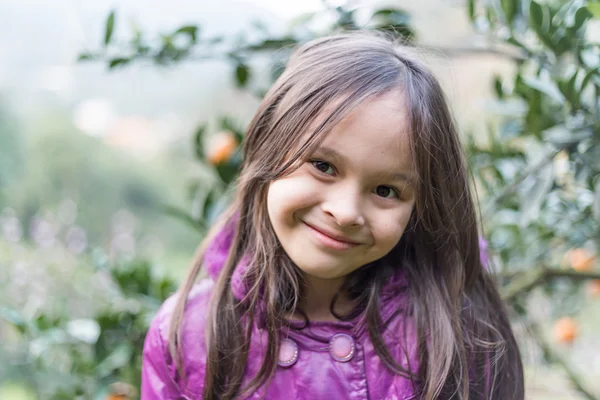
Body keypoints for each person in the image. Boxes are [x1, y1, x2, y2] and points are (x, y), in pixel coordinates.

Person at [141, 31, 524, 400]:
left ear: (421, 207)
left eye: (385, 191)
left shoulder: (455, 333)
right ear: (269, 148)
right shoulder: (189, 337)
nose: (344, 213)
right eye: (323, 166)